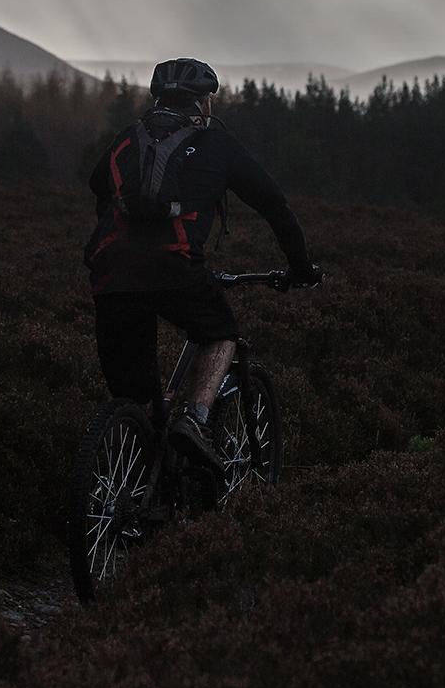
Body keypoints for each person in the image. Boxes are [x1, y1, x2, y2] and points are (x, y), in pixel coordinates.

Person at [84, 57, 321, 483]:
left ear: (159, 99)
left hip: (111, 278)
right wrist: (300, 268)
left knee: (137, 405)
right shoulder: (216, 142)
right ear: (203, 102)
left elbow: (98, 187)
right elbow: (275, 207)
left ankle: (132, 500)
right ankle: (194, 418)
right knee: (221, 333)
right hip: (175, 268)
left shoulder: (127, 139)